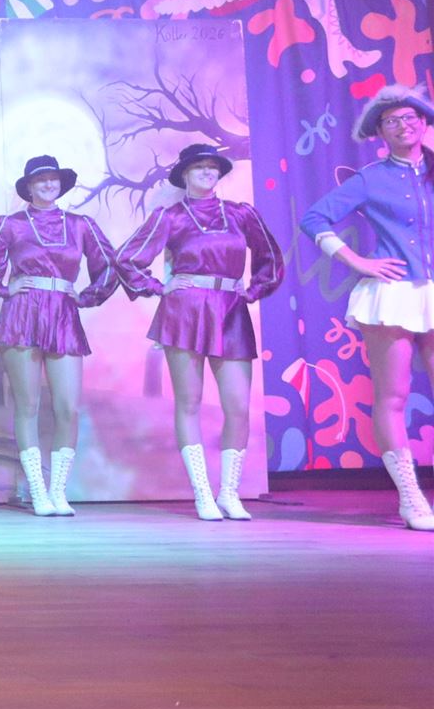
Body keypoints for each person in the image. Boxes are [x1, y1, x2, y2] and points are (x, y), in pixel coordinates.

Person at [118, 143, 284, 520]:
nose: (207, 172)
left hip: (230, 309)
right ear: (185, 175)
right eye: (199, 167)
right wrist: (159, 287)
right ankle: (202, 493)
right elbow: (127, 259)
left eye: (212, 167)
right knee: (189, 402)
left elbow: (270, 257)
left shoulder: (241, 213)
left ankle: (229, 492)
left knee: (238, 406)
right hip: (186, 311)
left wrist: (254, 290)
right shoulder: (171, 217)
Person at [299, 86, 434, 531]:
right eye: (391, 121)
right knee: (393, 396)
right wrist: (357, 261)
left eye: (410, 117)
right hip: (392, 294)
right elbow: (313, 218)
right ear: (380, 131)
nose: (403, 125)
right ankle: (411, 498)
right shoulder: (370, 178)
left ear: (423, 122)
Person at [0, 155, 121, 516]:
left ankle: (58, 490)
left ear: (61, 183)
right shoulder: (10, 224)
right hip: (22, 315)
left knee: (67, 407)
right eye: (40, 179)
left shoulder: (80, 225)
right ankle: (37, 489)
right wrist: (5, 288)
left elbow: (109, 266)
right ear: (29, 186)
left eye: (53, 178)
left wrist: (86, 296)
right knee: (28, 406)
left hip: (63, 315)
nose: (48, 184)